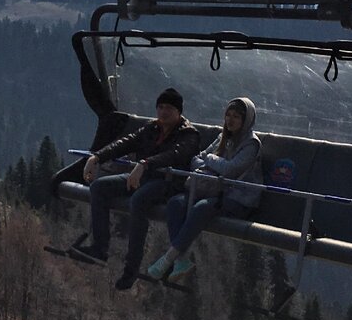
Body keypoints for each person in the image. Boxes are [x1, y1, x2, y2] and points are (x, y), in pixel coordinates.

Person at [74, 87, 201, 290]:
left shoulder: (188, 134)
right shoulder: (152, 128)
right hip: (143, 177)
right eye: (160, 107)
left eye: (168, 107)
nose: (163, 111)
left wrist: (144, 164)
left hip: (168, 183)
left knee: (138, 200)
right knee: (99, 187)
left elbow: (175, 155)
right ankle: (100, 248)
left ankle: (131, 269)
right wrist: (97, 157)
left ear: (178, 111)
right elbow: (125, 143)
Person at [146, 96, 262, 281]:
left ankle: (168, 258)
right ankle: (181, 260)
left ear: (245, 120)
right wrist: (212, 162)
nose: (230, 120)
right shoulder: (223, 138)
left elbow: (231, 170)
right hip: (212, 190)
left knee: (201, 208)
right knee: (176, 203)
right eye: (228, 115)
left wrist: (210, 159)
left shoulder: (251, 144)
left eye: (236, 117)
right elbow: (195, 160)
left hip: (237, 197)